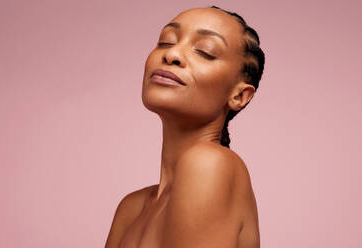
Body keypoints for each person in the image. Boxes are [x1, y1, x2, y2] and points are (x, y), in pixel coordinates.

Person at [105, 5, 265, 248]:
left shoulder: (210, 163)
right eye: (166, 42)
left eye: (205, 51)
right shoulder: (131, 209)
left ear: (239, 95)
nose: (172, 55)